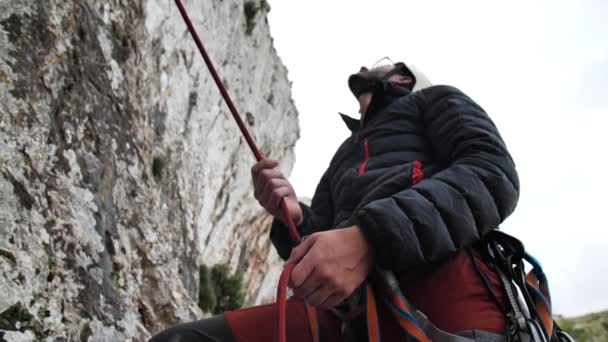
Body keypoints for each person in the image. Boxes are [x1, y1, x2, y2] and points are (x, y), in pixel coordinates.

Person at [149, 61, 519, 342]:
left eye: (372, 76)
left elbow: (492, 173)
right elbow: (322, 237)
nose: (359, 84)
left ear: (404, 80)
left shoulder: (436, 100)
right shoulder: (346, 154)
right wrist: (291, 216)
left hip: (443, 281)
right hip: (347, 312)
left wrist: (369, 239)